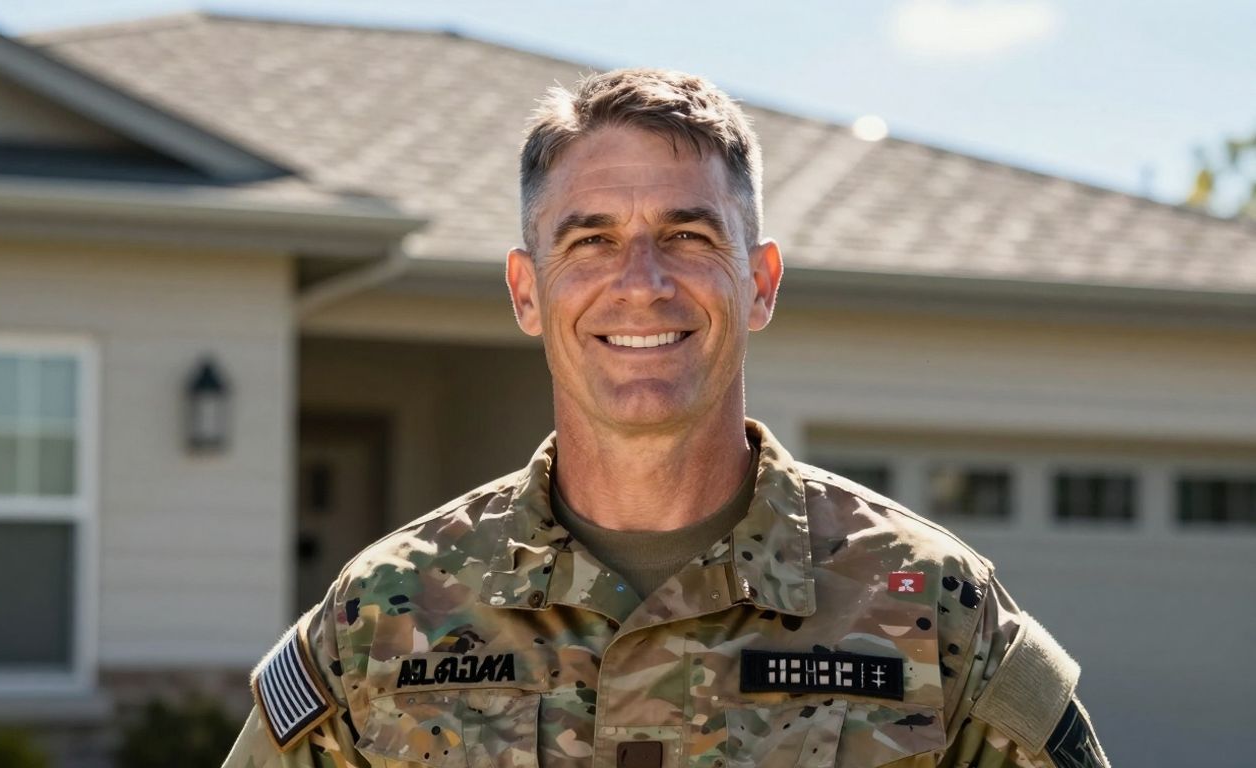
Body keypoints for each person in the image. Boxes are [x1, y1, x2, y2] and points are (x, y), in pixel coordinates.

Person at [223, 69, 1109, 768]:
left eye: (688, 236)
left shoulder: (933, 609)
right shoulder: (384, 614)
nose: (641, 281)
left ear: (758, 283)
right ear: (527, 291)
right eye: (591, 240)